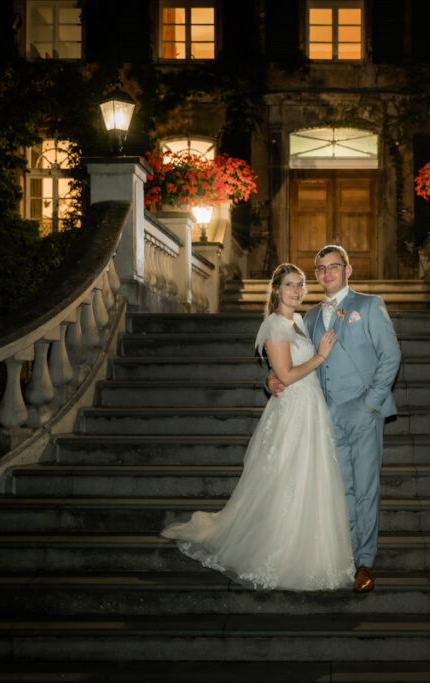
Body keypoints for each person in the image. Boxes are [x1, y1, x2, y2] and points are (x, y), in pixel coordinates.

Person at [161, 263, 355, 591]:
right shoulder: (276, 325)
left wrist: (279, 376)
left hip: (311, 409)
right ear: (277, 290)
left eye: (301, 285)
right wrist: (320, 357)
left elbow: (283, 373)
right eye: (290, 285)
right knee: (284, 479)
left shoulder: (298, 321)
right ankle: (278, 551)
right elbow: (288, 375)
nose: (296, 291)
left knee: (310, 479)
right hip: (292, 412)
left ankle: (312, 551)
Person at [268, 245, 402, 593]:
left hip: (362, 412)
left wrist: (370, 404)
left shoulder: (369, 306)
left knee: (366, 488)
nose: (327, 273)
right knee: (341, 489)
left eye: (334, 266)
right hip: (324, 417)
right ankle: (346, 554)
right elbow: (289, 361)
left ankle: (365, 561)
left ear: (348, 270)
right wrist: (273, 379)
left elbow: (391, 356)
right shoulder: (308, 317)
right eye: (321, 268)